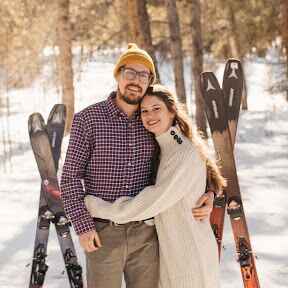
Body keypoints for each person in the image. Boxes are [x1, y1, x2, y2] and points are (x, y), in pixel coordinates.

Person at [60, 43, 218, 288]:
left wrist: (210, 191)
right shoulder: (88, 119)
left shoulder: (153, 122)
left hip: (148, 235)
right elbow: (69, 178)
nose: (135, 80)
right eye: (129, 73)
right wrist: (83, 226)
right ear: (117, 75)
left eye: (143, 74)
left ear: (150, 80)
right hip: (102, 233)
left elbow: (189, 159)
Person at [85, 84, 225, 288]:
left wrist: (97, 207)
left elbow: (150, 201)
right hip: (170, 253)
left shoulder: (182, 151)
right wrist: (211, 190)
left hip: (189, 255)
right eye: (144, 111)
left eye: (156, 108)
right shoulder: (166, 145)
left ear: (172, 111)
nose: (150, 115)